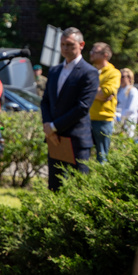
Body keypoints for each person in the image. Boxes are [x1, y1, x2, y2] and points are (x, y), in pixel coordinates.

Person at [40, 27, 99, 191]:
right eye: (62, 44)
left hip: (76, 139)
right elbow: (45, 101)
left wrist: (53, 127)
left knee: (79, 189)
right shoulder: (54, 71)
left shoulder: (89, 72)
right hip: (55, 139)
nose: (65, 48)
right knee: (54, 188)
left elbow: (82, 107)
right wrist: (47, 125)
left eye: (70, 45)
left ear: (81, 45)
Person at [88, 42, 121, 163]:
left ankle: (101, 182)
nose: (91, 53)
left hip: (103, 121)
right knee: (81, 157)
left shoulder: (113, 73)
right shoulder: (89, 71)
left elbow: (104, 94)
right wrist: (97, 93)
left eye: (94, 51)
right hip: (86, 119)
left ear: (105, 55)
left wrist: (88, 90)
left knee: (102, 158)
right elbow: (100, 94)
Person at [115, 68, 138, 137]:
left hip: (128, 122)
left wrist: (119, 115)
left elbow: (131, 109)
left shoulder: (132, 91)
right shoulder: (119, 91)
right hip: (118, 122)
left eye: (123, 77)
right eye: (119, 77)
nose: (121, 79)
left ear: (129, 78)